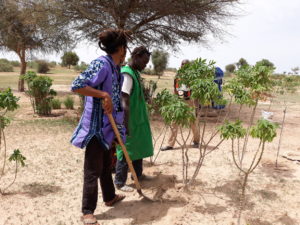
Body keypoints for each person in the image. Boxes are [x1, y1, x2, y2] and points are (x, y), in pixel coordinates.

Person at [70, 28, 128, 225]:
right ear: (121, 48)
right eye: (125, 47)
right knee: (92, 169)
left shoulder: (115, 67)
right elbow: (77, 84)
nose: (125, 51)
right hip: (96, 127)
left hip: (108, 126)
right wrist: (103, 95)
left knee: (105, 165)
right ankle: (87, 211)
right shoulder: (101, 64)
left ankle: (110, 196)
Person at [114, 46, 154, 192]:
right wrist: (124, 124)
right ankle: (119, 181)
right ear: (136, 57)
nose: (145, 65)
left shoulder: (135, 73)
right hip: (128, 120)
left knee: (138, 148)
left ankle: (137, 175)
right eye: (144, 61)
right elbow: (124, 98)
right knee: (126, 150)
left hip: (137, 119)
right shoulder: (127, 74)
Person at [161, 59, 200, 151]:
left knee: (193, 121)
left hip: (189, 101)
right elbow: (175, 88)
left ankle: (196, 141)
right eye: (183, 64)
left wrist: (196, 106)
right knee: (174, 121)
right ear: (181, 65)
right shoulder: (177, 75)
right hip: (179, 101)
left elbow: (195, 91)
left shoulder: (192, 76)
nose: (184, 66)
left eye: (186, 64)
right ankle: (170, 144)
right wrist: (175, 100)